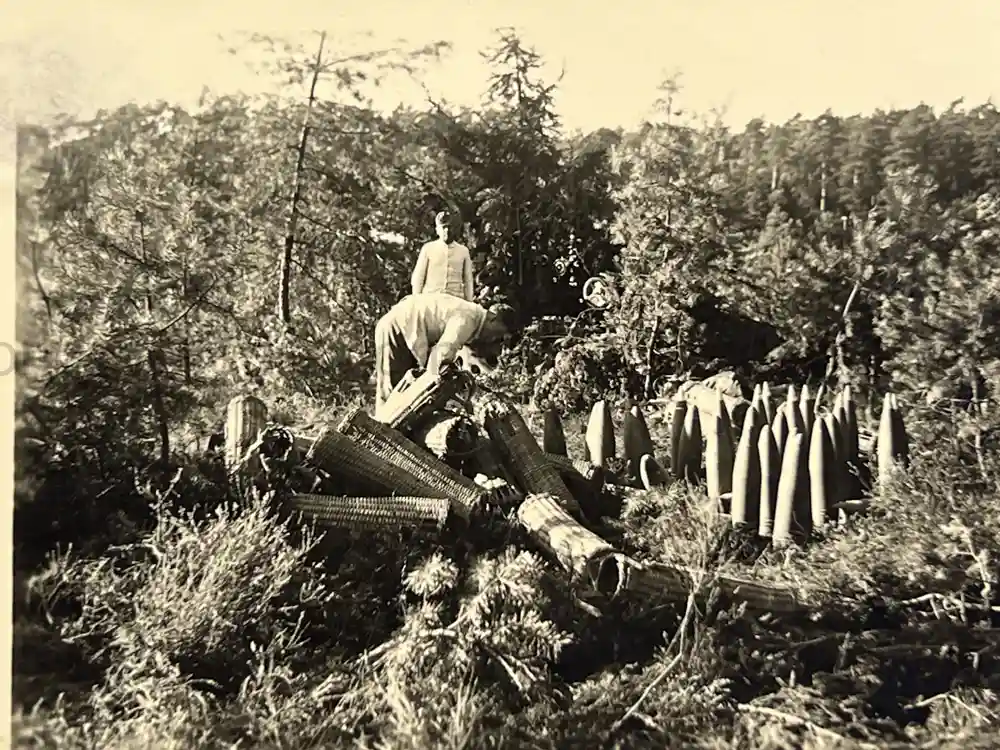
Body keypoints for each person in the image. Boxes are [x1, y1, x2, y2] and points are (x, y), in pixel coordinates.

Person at [374, 292, 515, 409]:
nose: (495, 338)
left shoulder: (474, 318)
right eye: (498, 333)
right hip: (398, 327)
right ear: (493, 318)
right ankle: (375, 431)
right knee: (393, 396)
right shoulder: (468, 319)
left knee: (404, 394)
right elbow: (441, 354)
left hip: (408, 329)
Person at [410, 210, 475, 301]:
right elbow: (419, 277)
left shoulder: (463, 251)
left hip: (455, 300)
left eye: (449, 227)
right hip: (431, 299)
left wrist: (469, 301)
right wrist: (417, 300)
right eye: (443, 227)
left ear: (455, 229)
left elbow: (468, 280)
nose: (447, 231)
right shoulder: (428, 249)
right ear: (437, 230)